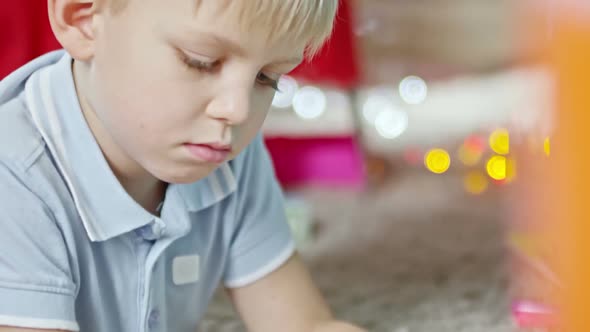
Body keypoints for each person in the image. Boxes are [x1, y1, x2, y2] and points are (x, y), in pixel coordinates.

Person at [0, 0, 367, 331]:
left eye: (266, 78)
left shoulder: (227, 153)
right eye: (201, 61)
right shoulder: (15, 174)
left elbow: (301, 324)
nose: (237, 110)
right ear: (83, 20)